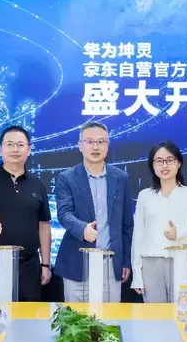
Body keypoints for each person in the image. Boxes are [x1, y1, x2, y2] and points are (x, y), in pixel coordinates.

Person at [0, 126, 52, 301]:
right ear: (0, 149)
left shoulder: (37, 184)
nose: (15, 149)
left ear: (28, 150)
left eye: (20, 145)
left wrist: (45, 264)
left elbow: (44, 226)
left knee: (29, 314)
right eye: (9, 144)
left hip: (29, 266)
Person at [55, 122, 133, 303]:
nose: (95, 147)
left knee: (109, 317)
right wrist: (82, 229)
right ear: (80, 145)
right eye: (89, 141)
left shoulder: (121, 178)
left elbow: (127, 224)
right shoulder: (67, 177)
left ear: (108, 145)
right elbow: (64, 213)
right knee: (76, 318)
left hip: (110, 263)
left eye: (101, 141)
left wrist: (126, 261)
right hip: (77, 263)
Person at [130, 141, 187, 303]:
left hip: (183, 261)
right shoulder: (144, 196)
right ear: (153, 165)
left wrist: (179, 234)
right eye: (159, 161)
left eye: (170, 160)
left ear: (179, 163)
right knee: (155, 315)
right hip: (151, 263)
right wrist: (137, 274)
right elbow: (138, 236)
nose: (164, 165)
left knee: (183, 313)